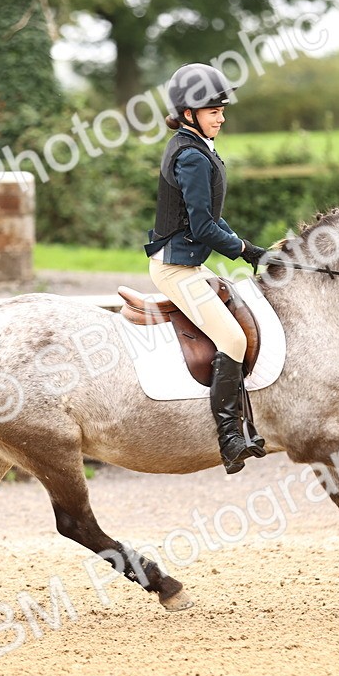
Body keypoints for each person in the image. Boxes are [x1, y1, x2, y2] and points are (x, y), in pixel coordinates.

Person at [143, 63, 268, 474]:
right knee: (232, 339)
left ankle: (244, 426)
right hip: (176, 269)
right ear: (188, 113)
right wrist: (245, 250)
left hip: (188, 263)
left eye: (222, 109)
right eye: (213, 110)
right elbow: (202, 227)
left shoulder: (197, 146)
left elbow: (211, 217)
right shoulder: (192, 156)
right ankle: (229, 439)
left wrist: (250, 249)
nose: (222, 116)